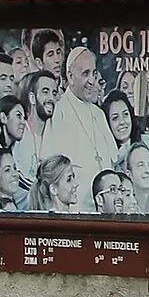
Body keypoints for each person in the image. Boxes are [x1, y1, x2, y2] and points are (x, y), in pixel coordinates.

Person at [41, 45, 118, 210]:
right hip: (76, 209)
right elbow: (51, 168)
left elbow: (112, 160)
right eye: (85, 74)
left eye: (94, 73)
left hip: (104, 209)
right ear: (70, 76)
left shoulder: (98, 114)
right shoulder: (59, 111)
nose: (92, 80)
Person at [12, 68, 60, 200]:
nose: (51, 98)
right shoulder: (19, 133)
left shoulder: (56, 135)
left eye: (54, 93)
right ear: (32, 98)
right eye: (45, 92)